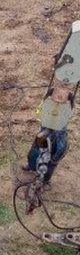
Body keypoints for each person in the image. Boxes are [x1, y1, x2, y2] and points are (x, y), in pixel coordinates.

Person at [26, 20, 78, 182]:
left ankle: (46, 178)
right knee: (39, 143)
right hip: (50, 113)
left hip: (59, 122)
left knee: (57, 149)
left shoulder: (68, 100)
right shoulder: (75, 36)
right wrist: (59, 61)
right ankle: (32, 166)